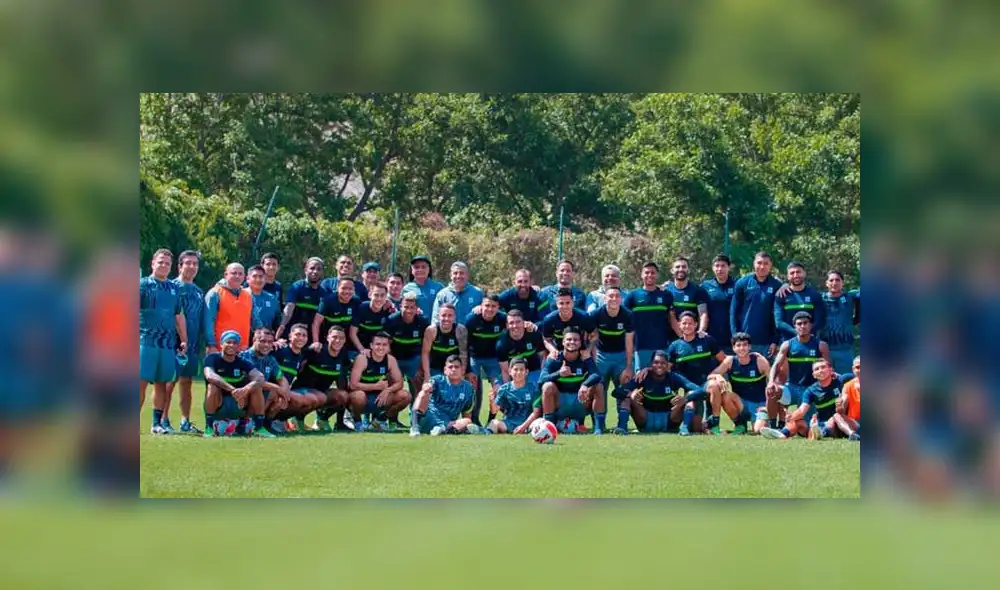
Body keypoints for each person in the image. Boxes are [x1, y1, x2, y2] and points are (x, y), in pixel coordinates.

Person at [140, 249, 189, 434]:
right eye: (160, 262)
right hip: (145, 341)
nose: (163, 266)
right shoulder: (142, 285)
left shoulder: (174, 288)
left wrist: (183, 339)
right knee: (140, 382)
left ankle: (156, 424)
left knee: (162, 383)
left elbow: (178, 316)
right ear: (153, 263)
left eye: (167, 263)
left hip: (167, 344)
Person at [766, 311, 832, 435]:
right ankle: (773, 427)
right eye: (799, 324)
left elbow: (828, 368)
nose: (802, 326)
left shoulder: (821, 345)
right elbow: (776, 365)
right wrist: (771, 382)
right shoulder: (787, 345)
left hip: (812, 391)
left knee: (805, 429)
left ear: (811, 325)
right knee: (771, 391)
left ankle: (788, 430)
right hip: (792, 388)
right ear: (795, 326)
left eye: (805, 323)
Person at [761, 358, 858, 440]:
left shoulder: (842, 380)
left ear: (831, 369)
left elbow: (859, 375)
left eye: (823, 367)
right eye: (817, 369)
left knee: (834, 417)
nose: (820, 370)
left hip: (839, 422)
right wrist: (791, 417)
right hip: (820, 423)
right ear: (814, 375)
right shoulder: (810, 390)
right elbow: (802, 410)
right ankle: (782, 434)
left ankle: (821, 433)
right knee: (798, 421)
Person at [201, 330, 274, 438]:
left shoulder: (242, 361)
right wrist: (232, 390)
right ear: (221, 344)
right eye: (228, 342)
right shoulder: (212, 358)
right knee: (212, 386)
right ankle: (209, 428)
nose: (232, 345)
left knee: (256, 387)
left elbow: (260, 377)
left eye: (235, 343)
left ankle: (259, 427)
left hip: (239, 403)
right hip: (219, 405)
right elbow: (210, 376)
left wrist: (245, 389)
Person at [616, 351, 706, 435]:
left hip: (670, 421)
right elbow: (617, 392)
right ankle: (622, 428)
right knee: (627, 399)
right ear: (651, 364)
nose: (659, 365)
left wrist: (685, 398)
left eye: (663, 363)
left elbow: (700, 390)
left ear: (667, 365)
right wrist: (631, 394)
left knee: (690, 400)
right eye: (656, 362)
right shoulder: (642, 377)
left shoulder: (674, 377)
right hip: (645, 420)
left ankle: (684, 429)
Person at [163, 249, 204, 434]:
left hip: (193, 345)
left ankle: (185, 421)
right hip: (173, 343)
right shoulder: (170, 287)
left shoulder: (198, 291)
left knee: (187, 383)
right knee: (168, 382)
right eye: (188, 263)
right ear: (180, 266)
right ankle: (162, 420)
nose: (192, 266)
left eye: (195, 263)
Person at [666, 311, 727, 434]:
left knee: (714, 385)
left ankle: (715, 422)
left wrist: (717, 374)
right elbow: (667, 369)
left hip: (706, 383)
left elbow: (725, 360)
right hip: (690, 388)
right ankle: (692, 426)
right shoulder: (675, 346)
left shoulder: (707, 340)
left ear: (696, 325)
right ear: (679, 324)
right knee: (696, 429)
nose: (687, 326)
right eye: (684, 323)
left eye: (690, 323)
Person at [536, 329, 606, 434]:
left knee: (598, 386)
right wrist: (559, 373)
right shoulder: (555, 358)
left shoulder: (585, 357)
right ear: (563, 342)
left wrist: (585, 384)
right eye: (569, 339)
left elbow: (597, 375)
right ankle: (550, 428)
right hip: (560, 404)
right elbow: (541, 380)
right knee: (547, 386)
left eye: (575, 340)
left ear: (580, 343)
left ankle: (598, 429)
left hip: (580, 402)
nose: (572, 342)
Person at [589, 286, 634, 432]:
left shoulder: (627, 315)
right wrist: (594, 362)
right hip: (602, 356)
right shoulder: (596, 314)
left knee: (625, 387)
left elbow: (629, 342)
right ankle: (599, 426)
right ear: (604, 298)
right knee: (599, 388)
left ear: (621, 299)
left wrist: (628, 366)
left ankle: (622, 425)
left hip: (621, 356)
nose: (613, 299)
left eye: (616, 296)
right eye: (610, 296)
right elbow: (592, 340)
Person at [709, 332, 772, 434]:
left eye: (745, 345)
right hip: (741, 404)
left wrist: (768, 405)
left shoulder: (759, 360)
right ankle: (740, 425)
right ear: (733, 348)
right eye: (738, 345)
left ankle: (766, 421)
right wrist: (718, 376)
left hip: (759, 405)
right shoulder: (730, 361)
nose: (742, 348)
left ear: (749, 347)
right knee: (726, 395)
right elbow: (710, 375)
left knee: (758, 431)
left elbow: (772, 383)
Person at [348, 332, 410, 431]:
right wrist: (376, 386)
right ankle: (357, 421)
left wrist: (388, 390)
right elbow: (353, 385)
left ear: (388, 347)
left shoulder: (390, 360)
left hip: (380, 398)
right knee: (358, 395)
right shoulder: (362, 359)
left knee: (405, 396)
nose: (381, 348)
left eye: (384, 345)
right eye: (378, 344)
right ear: (371, 346)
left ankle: (379, 421)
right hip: (362, 399)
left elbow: (400, 382)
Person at [271, 323, 327, 431]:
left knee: (320, 398)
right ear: (290, 336)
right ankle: (273, 421)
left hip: (288, 390)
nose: (301, 338)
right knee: (300, 400)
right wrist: (273, 343)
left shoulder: (303, 354)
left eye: (304, 335)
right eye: (297, 334)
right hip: (273, 391)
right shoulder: (279, 349)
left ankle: (286, 420)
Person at [295, 325, 351, 432]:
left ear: (345, 340)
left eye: (341, 338)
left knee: (343, 395)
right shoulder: (316, 350)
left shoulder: (343, 354)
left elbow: (342, 382)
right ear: (327, 338)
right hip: (302, 393)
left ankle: (322, 419)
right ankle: (296, 418)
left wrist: (340, 421)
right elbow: (296, 354)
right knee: (316, 397)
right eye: (334, 337)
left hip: (321, 394)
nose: (338, 340)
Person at [463, 293, 507, 427]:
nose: (490, 309)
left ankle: (491, 420)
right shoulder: (471, 319)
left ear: (498, 307)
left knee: (497, 388)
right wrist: (468, 369)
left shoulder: (502, 319)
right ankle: (473, 419)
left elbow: (516, 324)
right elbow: (465, 345)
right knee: (472, 387)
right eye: (487, 305)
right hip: (474, 357)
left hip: (493, 358)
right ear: (481, 306)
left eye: (493, 306)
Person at [410, 355, 481, 437]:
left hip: (448, 423)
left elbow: (467, 412)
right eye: (450, 367)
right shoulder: (437, 380)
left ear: (462, 370)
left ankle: (443, 431)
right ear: (445, 370)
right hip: (428, 419)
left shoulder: (468, 388)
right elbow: (427, 385)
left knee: (467, 421)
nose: (453, 369)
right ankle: (415, 427)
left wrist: (463, 425)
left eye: (456, 367)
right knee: (424, 392)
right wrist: (426, 387)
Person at [623, 261, 676, 371]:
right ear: (641, 275)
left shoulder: (666, 295)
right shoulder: (633, 296)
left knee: (662, 378)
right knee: (641, 380)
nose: (650, 275)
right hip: (641, 347)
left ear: (657, 275)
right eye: (646, 272)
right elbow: (625, 322)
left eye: (653, 272)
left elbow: (672, 319)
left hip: (662, 346)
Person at [730, 251, 783, 359]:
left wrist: (775, 340)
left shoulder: (777, 285)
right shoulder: (742, 283)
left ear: (770, 266)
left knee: (766, 374)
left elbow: (779, 315)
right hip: (744, 341)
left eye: (766, 263)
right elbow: (733, 312)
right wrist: (736, 336)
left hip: (767, 343)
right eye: (759, 263)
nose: (762, 266)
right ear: (754, 264)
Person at [383, 293, 431, 406]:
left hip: (414, 359)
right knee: (392, 387)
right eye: (406, 307)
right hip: (395, 359)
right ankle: (391, 420)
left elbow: (426, 347)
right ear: (400, 306)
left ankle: (416, 418)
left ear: (417, 309)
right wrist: (391, 366)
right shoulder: (391, 320)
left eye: (412, 307)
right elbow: (386, 346)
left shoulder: (423, 322)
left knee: (418, 386)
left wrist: (421, 367)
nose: (408, 310)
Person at [239, 328, 290, 433]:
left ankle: (265, 425)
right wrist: (276, 388)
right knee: (264, 391)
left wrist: (284, 393)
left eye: (270, 342)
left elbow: (281, 378)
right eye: (262, 341)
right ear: (254, 340)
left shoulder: (270, 359)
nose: (266, 345)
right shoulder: (244, 357)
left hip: (261, 396)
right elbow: (251, 382)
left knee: (278, 397)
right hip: (242, 397)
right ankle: (246, 423)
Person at [204, 262, 260, 353]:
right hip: (219, 350)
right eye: (234, 273)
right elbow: (208, 322)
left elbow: (256, 322)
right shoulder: (214, 294)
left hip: (242, 350)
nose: (237, 276)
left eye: (240, 274)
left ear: (244, 277)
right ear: (226, 275)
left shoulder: (249, 296)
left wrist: (265, 338)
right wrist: (211, 344)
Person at [496, 309, 547, 406]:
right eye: (511, 323)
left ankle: (542, 416)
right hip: (514, 373)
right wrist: (508, 389)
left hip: (534, 371)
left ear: (524, 323)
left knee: (543, 389)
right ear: (507, 325)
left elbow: (543, 356)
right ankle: (503, 415)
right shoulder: (502, 344)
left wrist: (542, 378)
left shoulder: (534, 334)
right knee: (498, 390)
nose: (515, 326)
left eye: (518, 322)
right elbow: (505, 370)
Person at [276, 257, 327, 345]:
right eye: (312, 268)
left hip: (310, 337)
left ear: (322, 272)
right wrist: (282, 325)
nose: (315, 271)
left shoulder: (324, 293)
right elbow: (289, 308)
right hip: (293, 334)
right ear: (305, 270)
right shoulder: (297, 286)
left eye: (319, 269)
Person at [820, 270, 860, 374]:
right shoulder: (819, 298)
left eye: (837, 280)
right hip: (825, 350)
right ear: (826, 283)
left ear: (842, 282)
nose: (834, 283)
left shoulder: (850, 297)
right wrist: (784, 286)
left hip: (845, 349)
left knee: (846, 380)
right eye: (831, 280)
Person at [774, 262, 826, 341]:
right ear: (788, 277)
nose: (795, 275)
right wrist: (798, 332)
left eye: (798, 272)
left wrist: (806, 333)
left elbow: (819, 320)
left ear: (804, 274)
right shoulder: (781, 295)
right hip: (787, 342)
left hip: (810, 341)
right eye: (792, 273)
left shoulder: (815, 294)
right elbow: (779, 323)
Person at [663, 256, 710, 340]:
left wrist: (701, 331)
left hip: (693, 338)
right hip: (670, 339)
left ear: (688, 270)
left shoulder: (698, 290)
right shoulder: (666, 291)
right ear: (672, 270)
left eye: (684, 267)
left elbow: (703, 314)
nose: (681, 269)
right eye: (677, 267)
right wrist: (682, 337)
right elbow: (671, 317)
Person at [487, 359, 540, 434]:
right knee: (494, 423)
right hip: (509, 423)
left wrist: (522, 427)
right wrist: (491, 400)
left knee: (541, 423)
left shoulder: (533, 388)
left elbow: (536, 412)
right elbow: (494, 410)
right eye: (515, 369)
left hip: (529, 424)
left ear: (526, 372)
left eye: (521, 370)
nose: (518, 372)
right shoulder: (504, 389)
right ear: (510, 371)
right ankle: (487, 433)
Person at [312, 276, 361, 357]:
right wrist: (316, 342)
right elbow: (316, 323)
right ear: (338, 288)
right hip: (326, 343)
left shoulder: (356, 302)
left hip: (346, 344)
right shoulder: (327, 301)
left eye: (350, 288)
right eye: (344, 288)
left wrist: (388, 303)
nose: (347, 291)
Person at [541, 288, 597, 358]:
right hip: (559, 353)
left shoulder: (583, 317)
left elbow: (594, 335)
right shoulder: (549, 320)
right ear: (556, 304)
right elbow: (546, 340)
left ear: (573, 303)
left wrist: (588, 350)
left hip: (580, 353)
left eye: (568, 303)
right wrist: (552, 350)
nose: (565, 306)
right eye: (561, 303)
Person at [422, 303, 468, 379]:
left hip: (453, 368)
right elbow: (425, 353)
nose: (446, 318)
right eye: (443, 315)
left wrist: (461, 372)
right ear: (438, 316)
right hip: (434, 368)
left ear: (454, 317)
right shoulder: (431, 330)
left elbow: (463, 354)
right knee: (428, 388)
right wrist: (427, 374)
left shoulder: (460, 330)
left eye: (450, 315)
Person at [702, 254, 737, 353]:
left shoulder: (737, 285)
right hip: (711, 337)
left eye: (723, 266)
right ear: (713, 268)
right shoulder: (705, 286)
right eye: (717, 266)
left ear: (728, 267)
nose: (720, 269)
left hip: (732, 338)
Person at [351, 282, 393, 357]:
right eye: (376, 295)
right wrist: (362, 349)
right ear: (370, 295)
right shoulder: (361, 308)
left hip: (377, 350)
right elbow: (352, 334)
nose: (379, 298)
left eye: (382, 295)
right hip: (358, 349)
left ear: (386, 296)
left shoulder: (389, 310)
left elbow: (388, 336)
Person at [247, 264, 281, 331]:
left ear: (265, 279)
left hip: (265, 339)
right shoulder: (241, 296)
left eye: (261, 276)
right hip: (244, 338)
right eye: (254, 276)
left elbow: (277, 322)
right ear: (247, 279)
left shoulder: (272, 298)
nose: (258, 279)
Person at [835, 355, 861, 439]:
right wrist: (839, 406)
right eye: (858, 367)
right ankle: (852, 434)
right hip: (856, 423)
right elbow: (842, 410)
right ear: (853, 369)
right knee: (837, 416)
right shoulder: (848, 386)